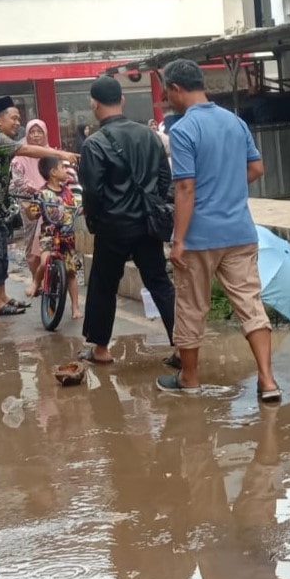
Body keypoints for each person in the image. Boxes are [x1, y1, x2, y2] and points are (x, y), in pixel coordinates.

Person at [155, 59, 280, 401]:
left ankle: (190, 378)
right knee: (250, 305)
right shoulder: (234, 122)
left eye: (168, 91)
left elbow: (185, 189)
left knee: (192, 306)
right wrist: (226, 185)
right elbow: (256, 168)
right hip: (240, 231)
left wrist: (178, 240)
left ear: (177, 89)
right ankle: (268, 381)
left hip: (199, 236)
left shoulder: (183, 130)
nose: (168, 98)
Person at [78, 76, 176, 364]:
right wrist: (153, 207)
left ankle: (101, 349)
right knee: (159, 282)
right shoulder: (149, 135)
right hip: (147, 224)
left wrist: (94, 221)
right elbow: (164, 178)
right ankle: (183, 347)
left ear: (94, 104)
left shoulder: (94, 144)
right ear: (122, 100)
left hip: (113, 226)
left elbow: (93, 192)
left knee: (103, 285)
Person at [0, 96, 77, 317]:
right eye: (14, 118)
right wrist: (60, 154)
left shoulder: (0, 139)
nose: (18, 123)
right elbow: (27, 150)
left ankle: (2, 297)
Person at [36, 155, 83, 319]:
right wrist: (30, 208)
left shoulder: (68, 191)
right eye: (62, 167)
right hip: (49, 236)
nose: (65, 170)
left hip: (67, 237)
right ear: (53, 172)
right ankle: (36, 283)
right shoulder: (42, 193)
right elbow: (33, 212)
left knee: (71, 272)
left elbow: (77, 207)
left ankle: (75, 307)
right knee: (44, 262)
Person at [10, 119, 52, 297]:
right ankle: (37, 280)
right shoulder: (19, 157)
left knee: (53, 240)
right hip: (29, 202)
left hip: (51, 201)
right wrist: (37, 189)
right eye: (32, 132)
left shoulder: (52, 154)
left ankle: (53, 277)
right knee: (31, 243)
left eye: (39, 131)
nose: (35, 135)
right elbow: (17, 182)